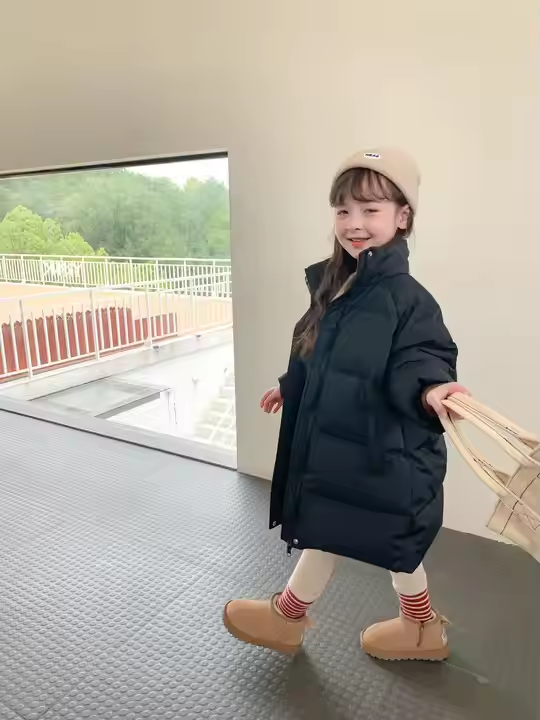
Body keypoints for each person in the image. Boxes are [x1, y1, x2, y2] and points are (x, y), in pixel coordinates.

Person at [223, 147, 468, 661]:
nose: (354, 223)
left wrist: (432, 390)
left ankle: (418, 628)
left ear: (402, 218)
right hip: (343, 449)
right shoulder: (340, 285)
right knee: (330, 531)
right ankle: (294, 617)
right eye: (343, 210)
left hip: (385, 454)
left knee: (396, 546)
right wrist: (293, 385)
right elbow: (324, 353)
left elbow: (421, 359)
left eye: (370, 210)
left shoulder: (407, 298)